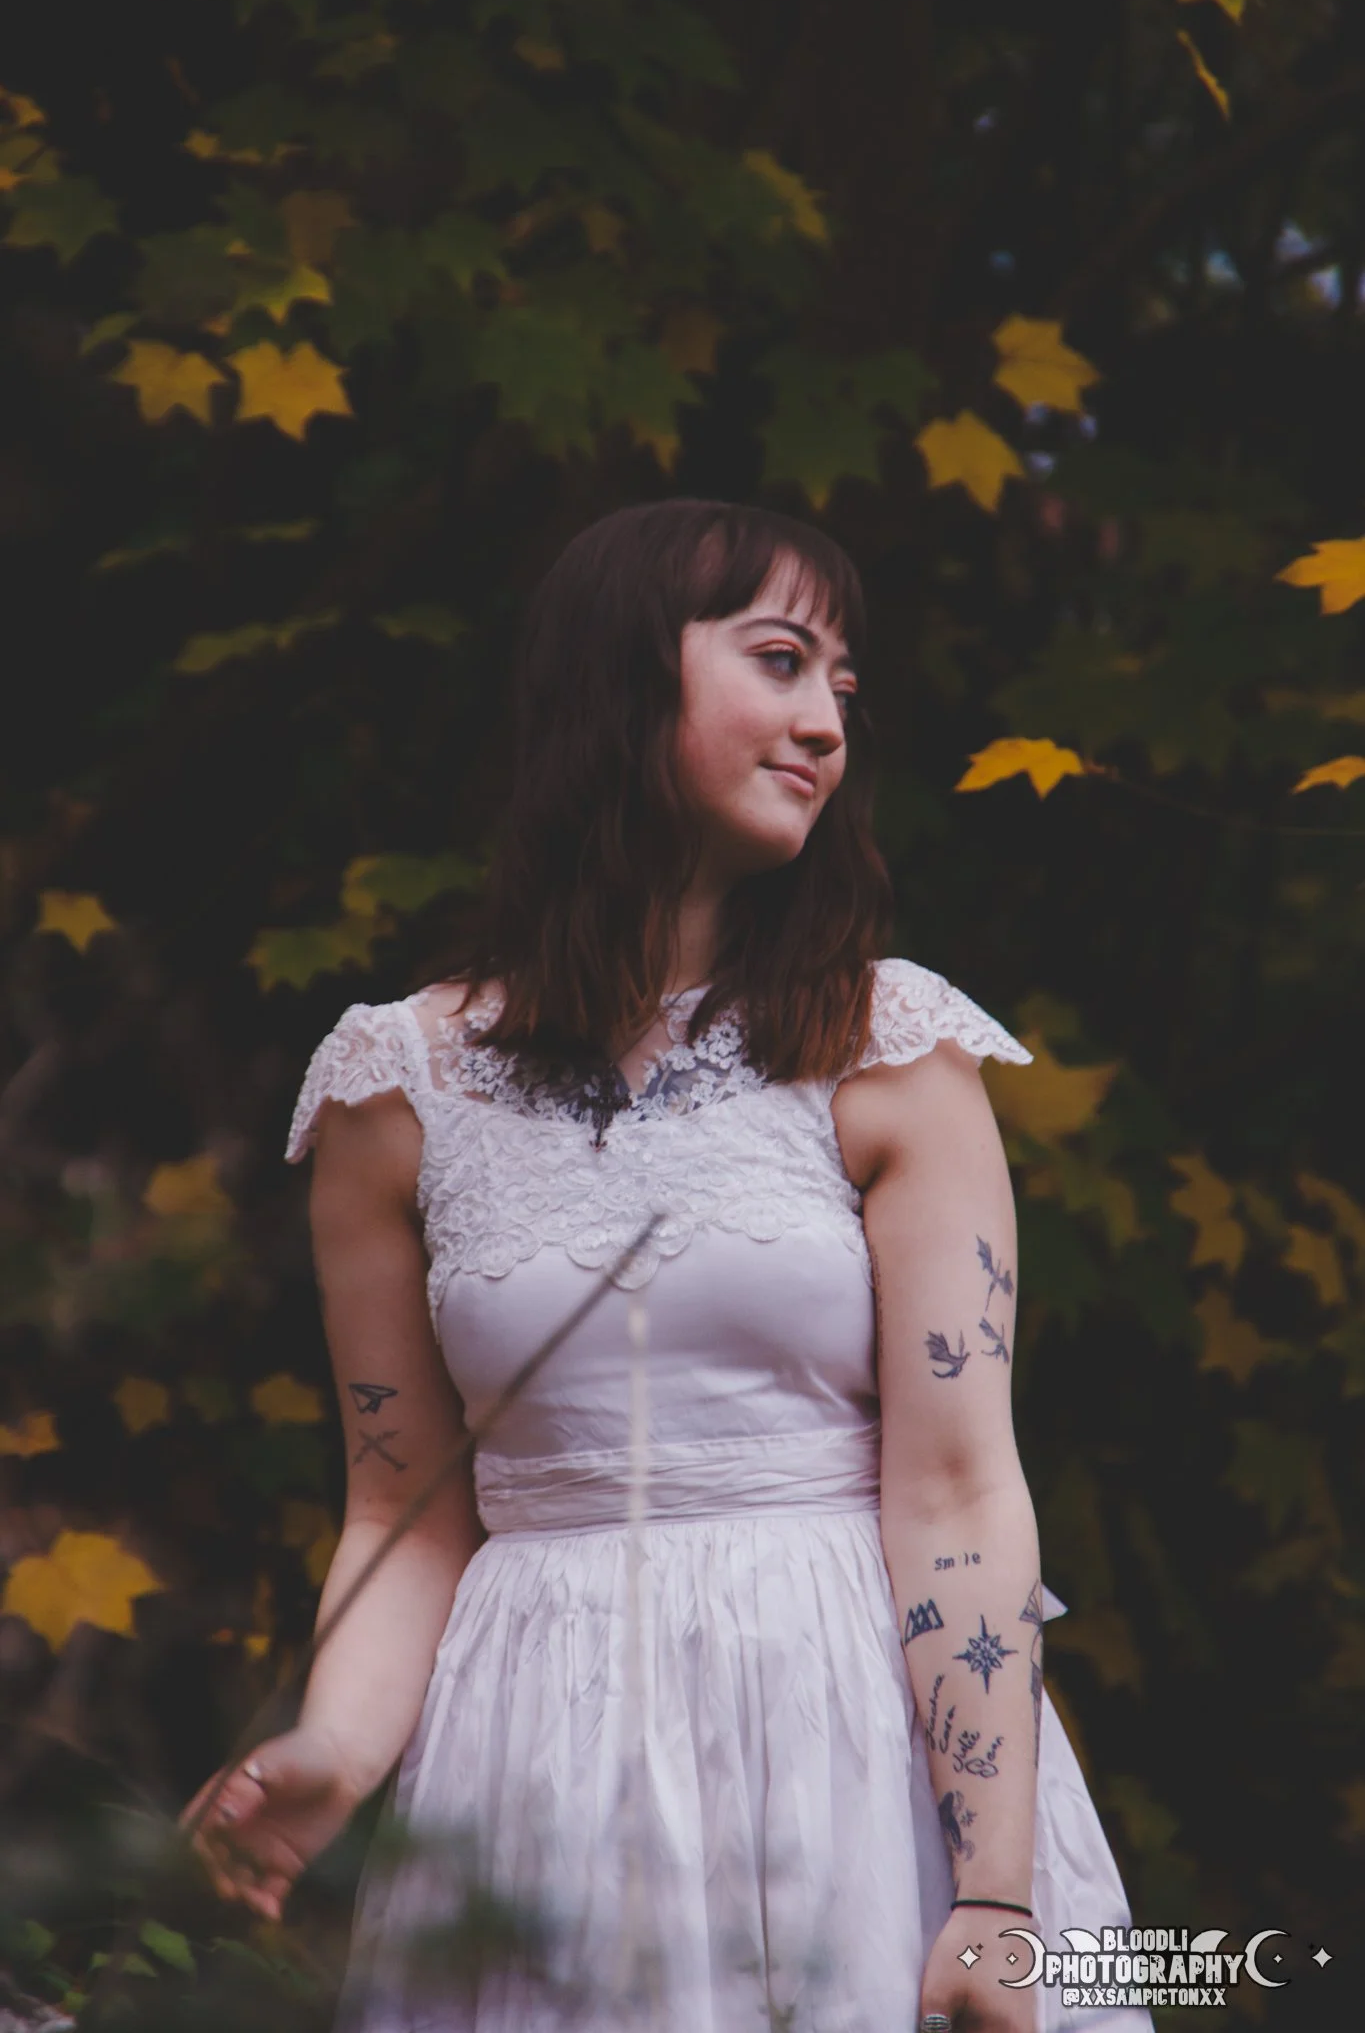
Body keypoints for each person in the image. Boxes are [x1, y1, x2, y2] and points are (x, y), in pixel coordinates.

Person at [182, 499, 1151, 2033]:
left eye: (844, 686)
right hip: (535, 1751)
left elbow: (960, 1494)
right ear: (627, 679)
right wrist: (335, 1752)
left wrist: (995, 1893)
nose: (827, 719)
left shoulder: (889, 1053)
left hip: (847, 1738)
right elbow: (405, 1507)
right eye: (780, 660)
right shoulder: (395, 1092)